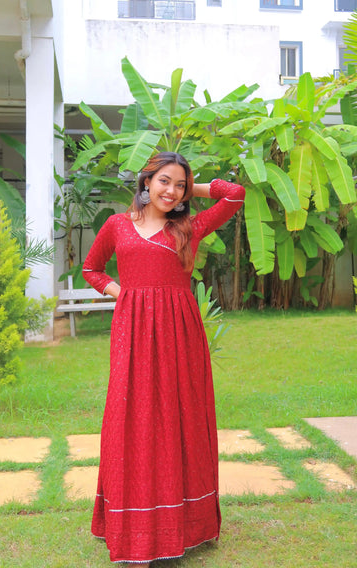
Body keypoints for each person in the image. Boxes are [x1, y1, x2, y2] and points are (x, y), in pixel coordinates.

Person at [83, 151, 245, 566]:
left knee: (180, 417)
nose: (171, 191)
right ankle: (129, 522)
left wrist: (195, 188)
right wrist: (124, 293)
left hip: (180, 333)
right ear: (146, 181)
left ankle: (187, 522)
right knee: (131, 418)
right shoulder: (117, 226)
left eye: (179, 185)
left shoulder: (188, 226)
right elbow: (92, 269)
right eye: (163, 182)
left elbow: (235, 195)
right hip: (133, 332)